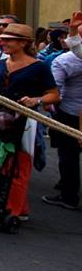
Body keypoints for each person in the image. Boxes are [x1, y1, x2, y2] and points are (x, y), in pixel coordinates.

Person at [0, 23, 60, 221]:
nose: (3, 43)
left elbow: (54, 94)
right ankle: (11, 205)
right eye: (3, 39)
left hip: (25, 123)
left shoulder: (39, 67)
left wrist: (36, 100)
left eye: (8, 40)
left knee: (18, 167)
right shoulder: (1, 64)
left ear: (23, 43)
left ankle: (14, 210)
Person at [45, 46, 82, 210]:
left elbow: (56, 92)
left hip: (70, 112)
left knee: (68, 155)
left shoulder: (64, 60)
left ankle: (69, 195)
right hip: (73, 110)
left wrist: (50, 107)